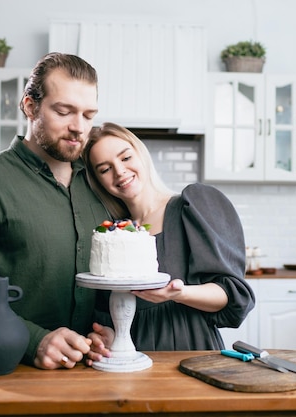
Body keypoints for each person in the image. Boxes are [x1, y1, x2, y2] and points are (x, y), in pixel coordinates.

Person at [0, 52, 110, 370]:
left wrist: (106, 328)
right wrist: (34, 340)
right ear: (29, 106)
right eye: (64, 111)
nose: (78, 127)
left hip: (96, 369)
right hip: (14, 369)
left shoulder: (101, 181)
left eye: (88, 114)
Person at [81, 122, 255, 357]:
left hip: (187, 347)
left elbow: (232, 296)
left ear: (141, 154)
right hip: (128, 355)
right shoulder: (112, 237)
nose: (119, 171)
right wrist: (108, 338)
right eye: (105, 169)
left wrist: (179, 294)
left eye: (125, 158)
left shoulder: (191, 207)